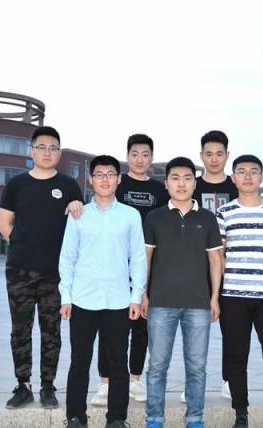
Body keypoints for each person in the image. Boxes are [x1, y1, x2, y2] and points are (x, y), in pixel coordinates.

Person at [0, 126, 83, 410]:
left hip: (55, 273)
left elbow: (79, 225)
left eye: (53, 148)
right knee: (20, 330)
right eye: (42, 147)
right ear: (31, 150)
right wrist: (23, 245)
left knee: (51, 331)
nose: (47, 153)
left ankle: (48, 386)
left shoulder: (69, 185)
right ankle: (23, 386)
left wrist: (76, 205)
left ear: (59, 152)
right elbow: (4, 224)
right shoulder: (16, 184)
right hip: (20, 270)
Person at [59, 155, 147, 428]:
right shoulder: (79, 214)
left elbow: (138, 259)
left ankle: (117, 418)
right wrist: (66, 296)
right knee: (79, 362)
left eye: (110, 174)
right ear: (91, 179)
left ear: (119, 179)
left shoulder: (130, 216)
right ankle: (75, 417)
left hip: (119, 302)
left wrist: (136, 297)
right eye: (99, 174)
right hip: (83, 300)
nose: (105, 179)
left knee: (118, 363)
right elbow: (67, 258)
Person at [143, 157, 222, 428]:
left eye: (187, 178)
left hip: (198, 304)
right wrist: (143, 294)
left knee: (197, 367)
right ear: (166, 184)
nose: (181, 184)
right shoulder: (154, 218)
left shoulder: (208, 218)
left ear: (194, 183)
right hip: (160, 303)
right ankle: (154, 418)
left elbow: (215, 260)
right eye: (175, 178)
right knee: (157, 366)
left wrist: (214, 297)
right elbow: (146, 259)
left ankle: (195, 418)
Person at [91, 134, 169, 406]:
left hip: (149, 266)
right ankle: (105, 383)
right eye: (134, 154)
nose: (139, 159)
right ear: (127, 157)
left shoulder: (160, 190)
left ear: (152, 158)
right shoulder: (117, 184)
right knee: (110, 327)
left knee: (142, 327)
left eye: (145, 154)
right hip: (114, 266)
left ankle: (135, 379)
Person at [216, 155, 263, 428]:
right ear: (233, 178)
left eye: (253, 171)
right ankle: (241, 414)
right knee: (236, 357)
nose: (247, 176)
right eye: (241, 171)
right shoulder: (224, 213)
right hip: (233, 296)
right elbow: (219, 255)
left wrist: (259, 270)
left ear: (262, 177)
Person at [191, 129, 238, 401]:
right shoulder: (192, 186)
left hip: (231, 269)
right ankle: (193, 384)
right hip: (197, 269)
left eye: (219, 154)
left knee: (232, 330)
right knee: (195, 331)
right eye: (208, 154)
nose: (214, 159)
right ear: (201, 156)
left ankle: (229, 380)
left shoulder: (236, 187)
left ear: (227, 155)